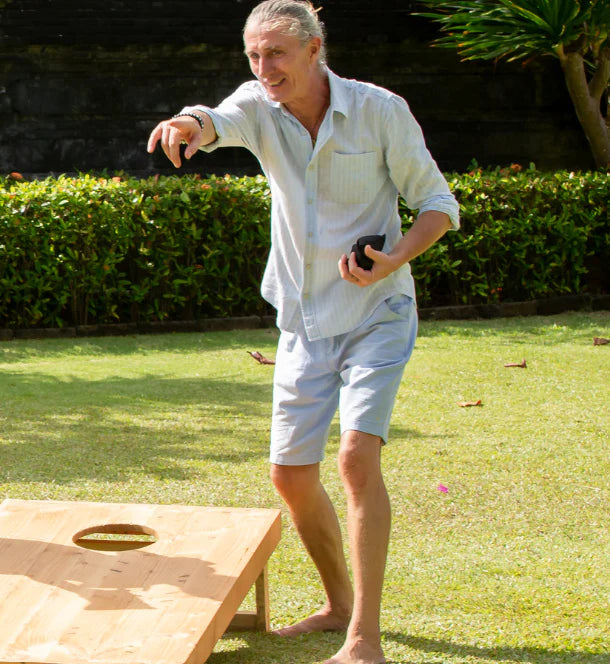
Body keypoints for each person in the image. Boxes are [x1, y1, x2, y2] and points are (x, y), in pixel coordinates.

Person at [146, 2, 459, 663]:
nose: (265, 68)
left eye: (277, 54)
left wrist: (395, 258)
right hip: (303, 319)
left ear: (315, 49)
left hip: (378, 313)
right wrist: (186, 123)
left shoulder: (380, 110)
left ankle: (364, 637)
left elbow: (437, 204)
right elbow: (215, 119)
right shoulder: (258, 105)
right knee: (290, 475)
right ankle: (338, 605)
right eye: (254, 55)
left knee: (355, 459)